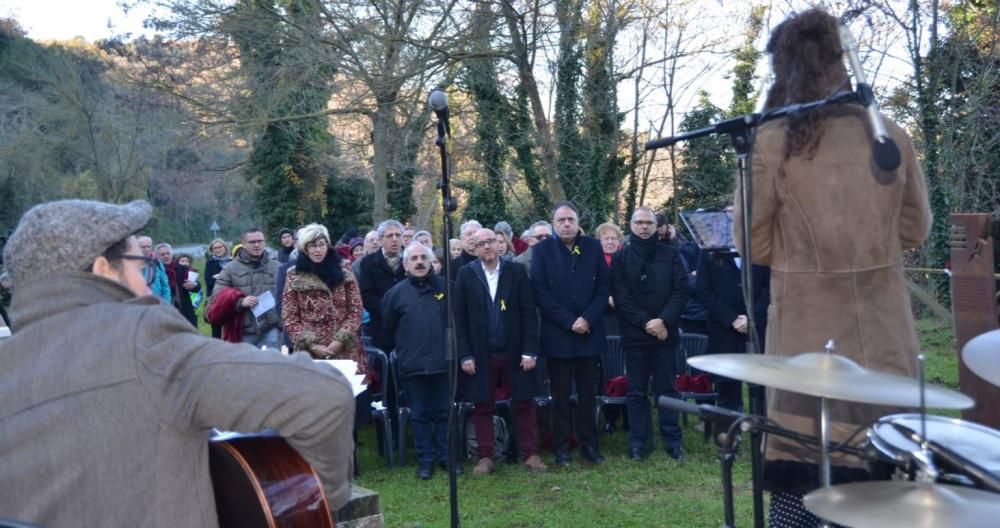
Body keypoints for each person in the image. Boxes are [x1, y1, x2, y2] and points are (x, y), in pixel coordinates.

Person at [0, 199, 355, 527]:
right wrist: (311, 503)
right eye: (140, 265)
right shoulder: (141, 339)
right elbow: (322, 394)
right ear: (103, 269)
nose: (146, 281)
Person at [734, 9, 932, 526]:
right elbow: (915, 230)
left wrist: (804, 262)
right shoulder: (888, 134)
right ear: (840, 61)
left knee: (805, 479)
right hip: (886, 334)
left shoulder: (774, 140)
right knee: (887, 476)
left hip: (807, 335)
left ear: (785, 68)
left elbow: (751, 243)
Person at [455, 228, 548, 476]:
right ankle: (485, 456)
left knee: (524, 402)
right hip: (480, 352)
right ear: (473, 249)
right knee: (482, 405)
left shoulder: (515, 271)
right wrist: (465, 354)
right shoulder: (465, 274)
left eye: (491, 242)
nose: (487, 246)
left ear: (499, 245)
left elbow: (529, 312)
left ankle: (529, 453)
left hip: (515, 349)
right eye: (480, 243)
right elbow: (459, 318)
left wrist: (530, 351)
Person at [530, 201, 610, 466]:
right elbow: (540, 293)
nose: (566, 224)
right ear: (553, 224)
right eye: (561, 220)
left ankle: (590, 445)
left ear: (578, 223)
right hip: (558, 335)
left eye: (570, 219)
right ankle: (562, 447)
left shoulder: (593, 247)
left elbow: (603, 288)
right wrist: (569, 321)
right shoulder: (542, 251)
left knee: (588, 395)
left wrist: (586, 318)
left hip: (589, 333)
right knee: (561, 396)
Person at [611, 207, 689, 460]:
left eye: (649, 223)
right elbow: (621, 297)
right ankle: (638, 442)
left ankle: (673, 441)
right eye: (639, 222)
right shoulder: (622, 257)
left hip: (666, 334)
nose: (644, 227)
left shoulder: (672, 254)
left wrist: (664, 320)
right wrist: (648, 323)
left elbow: (681, 291)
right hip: (636, 335)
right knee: (637, 391)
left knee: (667, 389)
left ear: (656, 227)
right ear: (631, 226)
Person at [381, 242, 449, 480]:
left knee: (443, 413)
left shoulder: (446, 288)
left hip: (443, 363)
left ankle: (446, 457)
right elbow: (387, 329)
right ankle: (425, 460)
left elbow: (456, 324)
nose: (419, 262)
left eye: (423, 257)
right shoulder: (395, 294)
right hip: (412, 365)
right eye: (414, 259)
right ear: (405, 264)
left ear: (431, 262)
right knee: (418, 414)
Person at [210, 227, 281, 349]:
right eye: (252, 242)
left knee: (271, 367)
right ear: (243, 244)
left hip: (271, 328)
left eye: (260, 241)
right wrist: (240, 302)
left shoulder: (277, 267)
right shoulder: (230, 269)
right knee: (246, 368)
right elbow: (216, 297)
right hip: (243, 331)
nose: (257, 245)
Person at [358, 220, 407, 350]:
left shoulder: (412, 258)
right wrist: (390, 311)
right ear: (380, 240)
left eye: (398, 235)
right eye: (390, 236)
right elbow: (366, 296)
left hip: (410, 325)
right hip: (382, 328)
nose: (395, 239)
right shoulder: (368, 263)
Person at [595, 222, 623, 337]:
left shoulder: (626, 259)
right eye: (606, 239)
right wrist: (606, 298)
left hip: (625, 313)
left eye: (613, 238)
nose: (610, 242)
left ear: (619, 242)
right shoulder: (592, 262)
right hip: (602, 314)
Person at [138, 235, 171, 304]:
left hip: (157, 302)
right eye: (143, 247)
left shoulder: (157, 262)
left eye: (149, 246)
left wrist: (166, 303)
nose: (147, 249)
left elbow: (165, 285)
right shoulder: (131, 264)